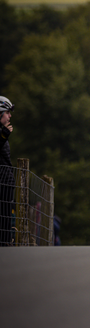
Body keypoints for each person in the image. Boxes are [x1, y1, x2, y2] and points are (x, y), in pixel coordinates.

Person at [0, 96, 15, 246]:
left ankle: (5, 244)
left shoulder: (2, 132)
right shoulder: (2, 133)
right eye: (7, 112)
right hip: (2, 182)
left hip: (6, 181)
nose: (10, 116)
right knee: (3, 217)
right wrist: (3, 136)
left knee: (6, 217)